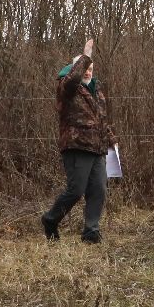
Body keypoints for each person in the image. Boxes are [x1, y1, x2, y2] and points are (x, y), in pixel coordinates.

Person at [41, 37, 118, 244]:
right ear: (75, 68)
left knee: (99, 190)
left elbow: (100, 119)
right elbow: (73, 78)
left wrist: (111, 139)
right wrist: (85, 56)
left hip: (98, 148)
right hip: (76, 146)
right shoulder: (67, 87)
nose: (88, 71)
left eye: (91, 68)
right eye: (85, 67)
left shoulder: (97, 90)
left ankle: (91, 232)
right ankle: (50, 219)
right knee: (76, 190)